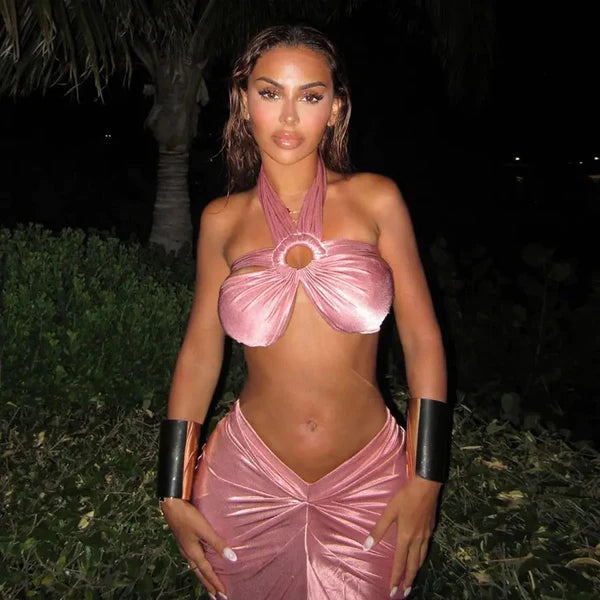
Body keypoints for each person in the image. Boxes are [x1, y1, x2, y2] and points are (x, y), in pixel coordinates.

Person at [157, 24, 451, 600]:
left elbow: (423, 340)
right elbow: (199, 353)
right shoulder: (222, 220)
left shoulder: (376, 199)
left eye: (310, 96)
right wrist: (172, 485)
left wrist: (426, 478)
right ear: (243, 101)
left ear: (335, 108)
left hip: (369, 483)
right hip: (244, 483)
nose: (289, 116)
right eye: (270, 93)